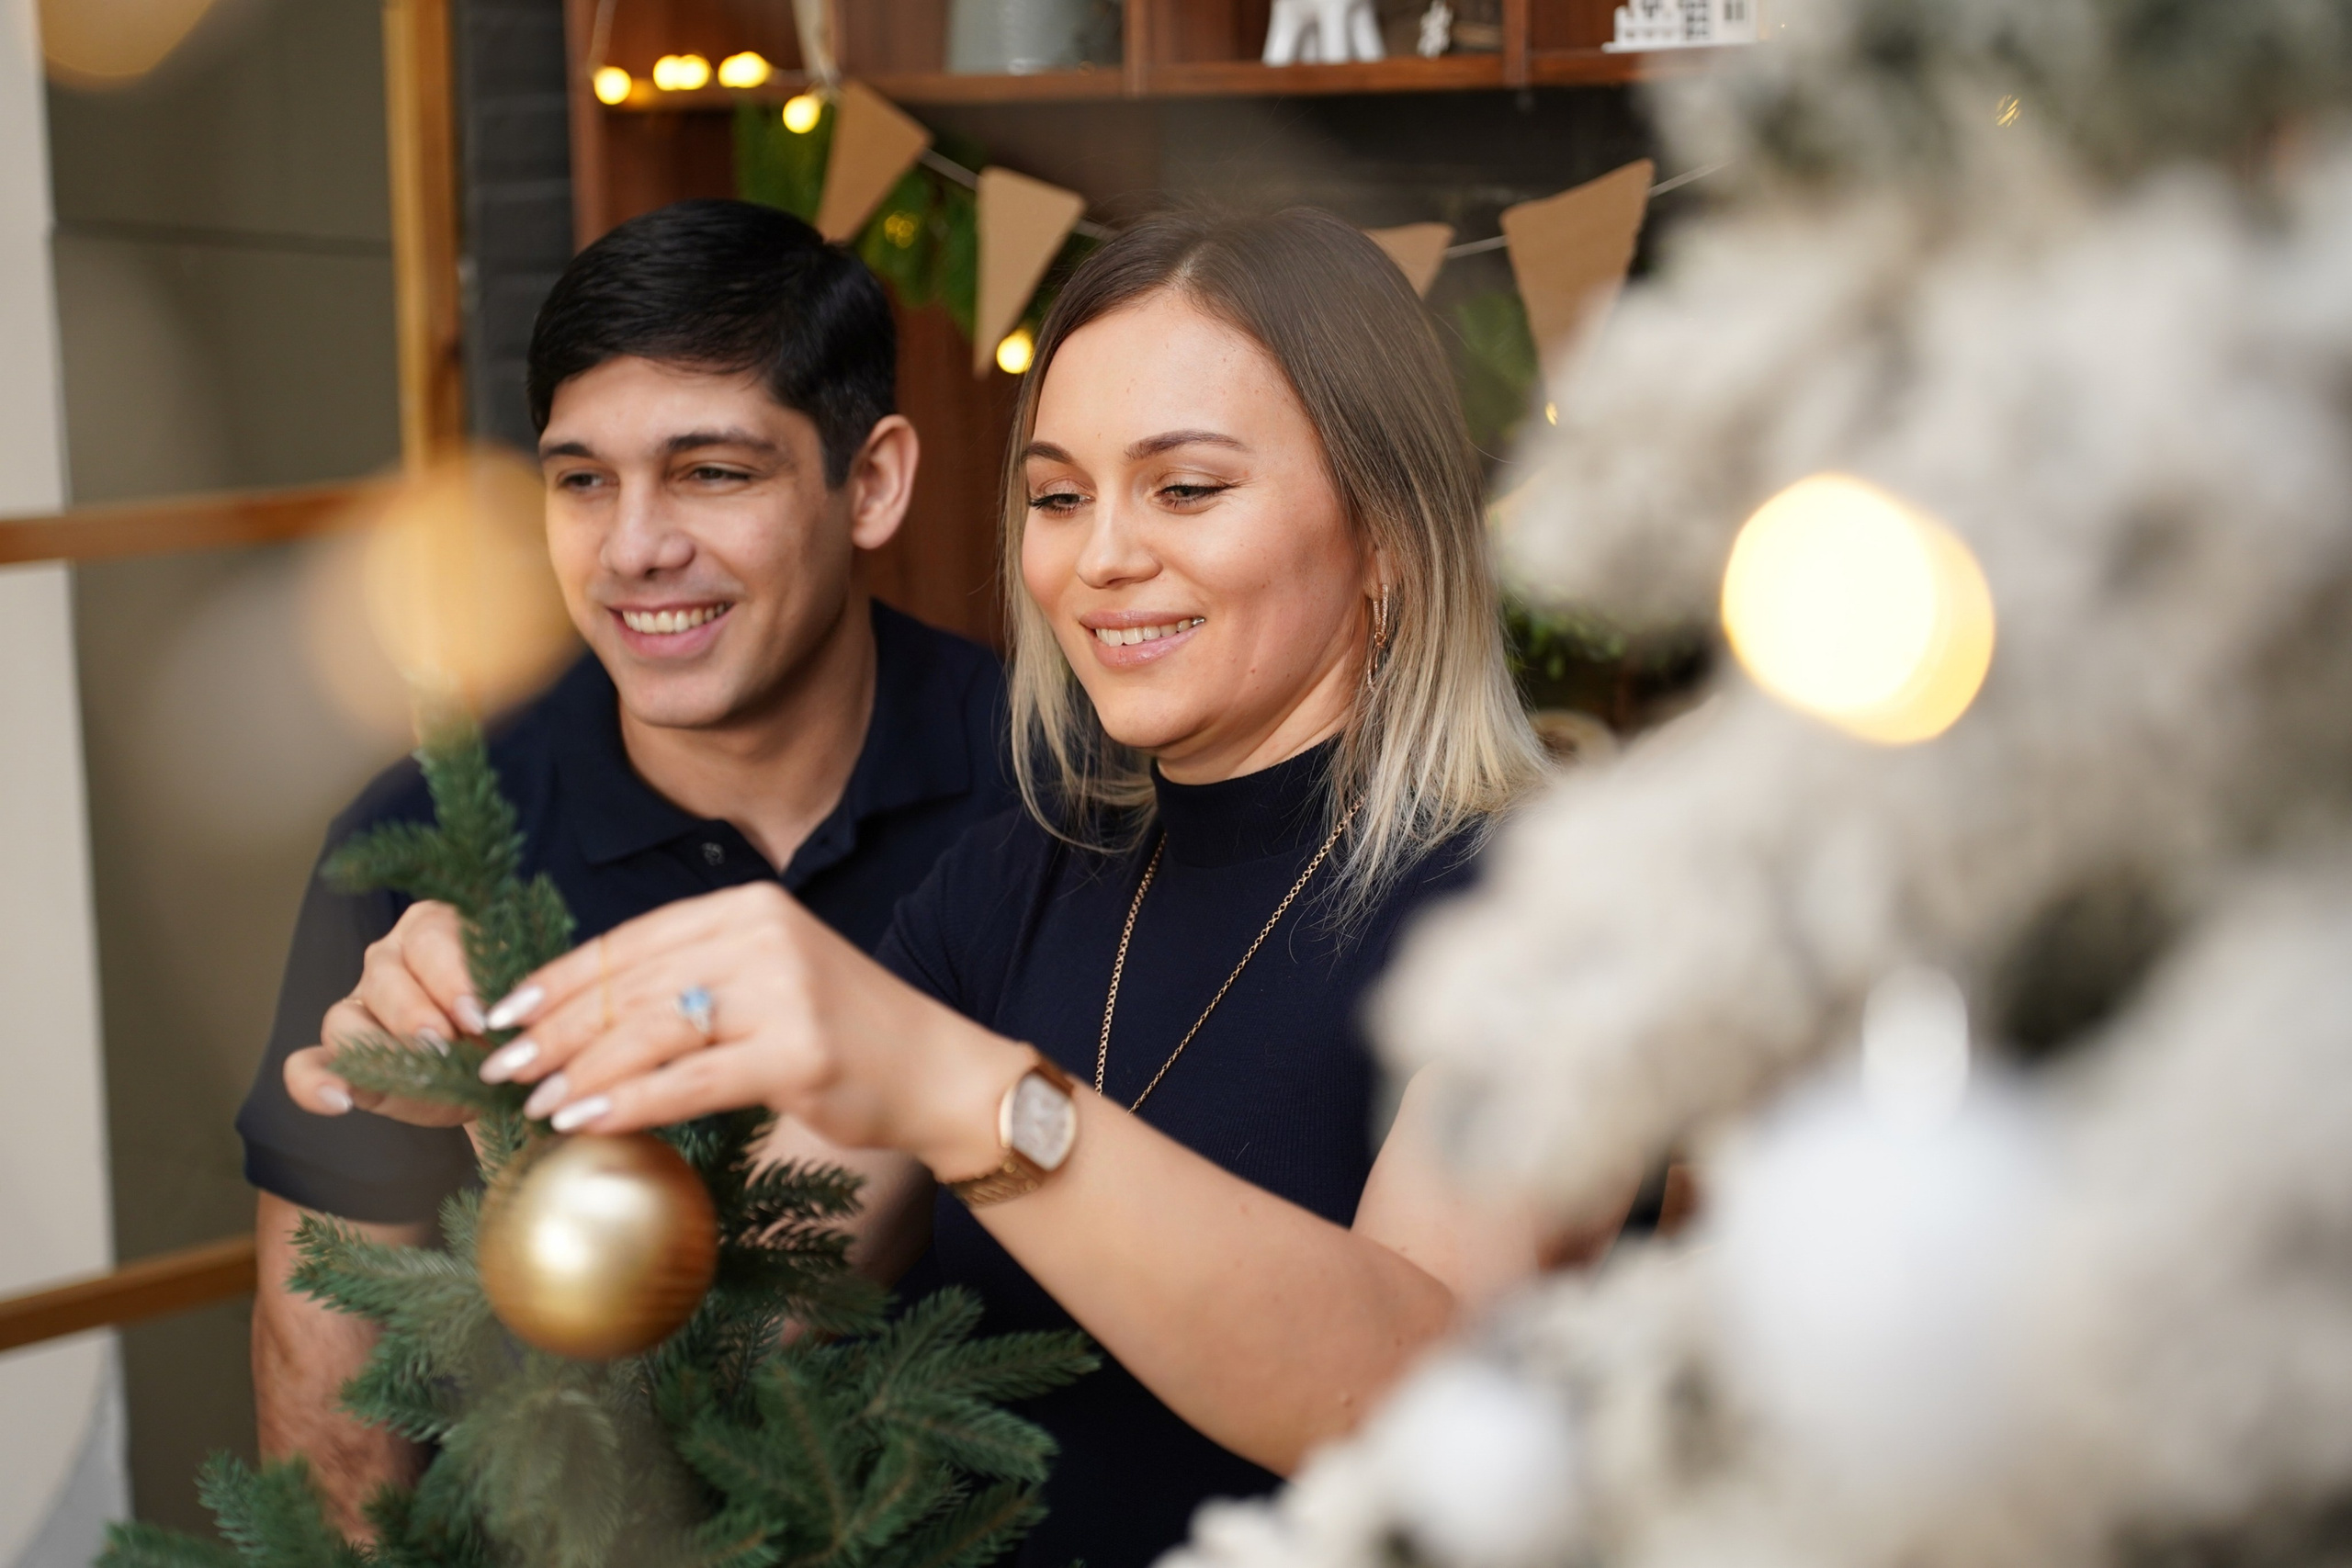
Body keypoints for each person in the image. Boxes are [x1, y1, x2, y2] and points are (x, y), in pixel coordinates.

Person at [303, 208, 1619, 1565]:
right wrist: (498, 1097)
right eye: (1059, 496)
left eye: (1185, 488)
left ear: (1390, 530)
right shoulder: (1017, 873)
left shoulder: (1562, 909)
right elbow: (727, 1334)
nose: (1099, 556)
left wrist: (958, 1090)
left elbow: (1431, 1401)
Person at [238, 198, 1017, 1536]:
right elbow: (327, 1345)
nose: (634, 548)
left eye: (714, 472)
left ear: (873, 481)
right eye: (581, 479)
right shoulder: (428, 830)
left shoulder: (1055, 793)